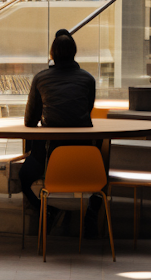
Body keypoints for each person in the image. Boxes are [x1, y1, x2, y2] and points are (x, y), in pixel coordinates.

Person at [19, 28, 102, 237]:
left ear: (52, 54)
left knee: (22, 176)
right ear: (74, 52)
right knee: (103, 172)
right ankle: (91, 215)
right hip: (84, 156)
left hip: (50, 157)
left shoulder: (41, 79)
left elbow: (29, 121)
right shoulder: (88, 79)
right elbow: (86, 112)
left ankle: (46, 211)